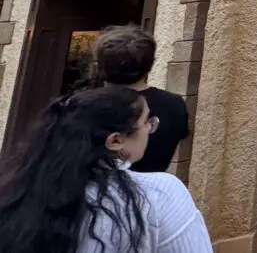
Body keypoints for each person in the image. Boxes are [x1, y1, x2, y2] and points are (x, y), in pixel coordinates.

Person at [0, 86, 213, 252]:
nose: (150, 129)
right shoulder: (161, 194)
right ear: (115, 140)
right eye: (147, 121)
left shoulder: (18, 190)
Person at [95, 25, 191, 173]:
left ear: (100, 66)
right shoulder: (173, 104)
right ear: (150, 64)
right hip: (153, 191)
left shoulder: (84, 105)